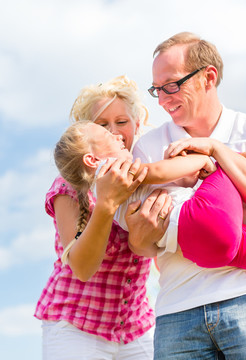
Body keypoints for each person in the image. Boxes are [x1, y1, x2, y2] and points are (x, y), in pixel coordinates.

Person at [128, 31, 246, 359]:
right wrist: (141, 235)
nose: (163, 99)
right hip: (177, 311)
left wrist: (219, 153)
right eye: (157, 89)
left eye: (172, 85)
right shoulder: (149, 147)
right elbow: (141, 246)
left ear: (208, 77)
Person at [34, 76, 170, 360]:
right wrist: (106, 203)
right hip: (75, 326)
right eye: (102, 125)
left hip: (136, 326)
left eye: (121, 122)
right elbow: (82, 267)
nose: (115, 131)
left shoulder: (149, 175)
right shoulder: (71, 186)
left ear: (136, 124)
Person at [54, 120, 246, 276]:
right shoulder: (115, 172)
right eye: (105, 134)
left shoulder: (99, 190)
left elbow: (171, 185)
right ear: (92, 160)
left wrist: (186, 178)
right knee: (231, 161)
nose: (117, 135)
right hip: (200, 217)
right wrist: (205, 156)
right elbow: (159, 172)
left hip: (195, 248)